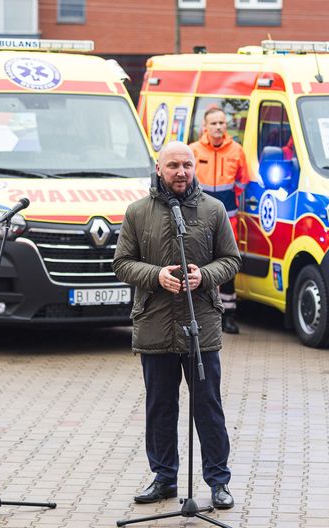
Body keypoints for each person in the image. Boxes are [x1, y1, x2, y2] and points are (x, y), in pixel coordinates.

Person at [113, 141, 242, 510]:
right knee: (160, 408)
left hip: (201, 326)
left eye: (187, 164)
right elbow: (122, 263)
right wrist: (156, 276)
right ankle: (164, 478)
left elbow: (231, 260)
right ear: (158, 168)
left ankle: (218, 481)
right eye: (173, 165)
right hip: (154, 324)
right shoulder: (137, 212)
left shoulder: (213, 209)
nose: (182, 172)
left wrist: (205, 275)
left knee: (209, 407)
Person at [189, 107, 249, 334]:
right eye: (213, 123)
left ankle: (228, 315)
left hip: (228, 218)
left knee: (227, 264)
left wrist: (232, 199)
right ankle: (200, 315)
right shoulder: (194, 150)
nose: (218, 127)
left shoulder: (236, 150)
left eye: (221, 123)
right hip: (199, 217)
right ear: (205, 127)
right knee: (200, 263)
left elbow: (243, 180)